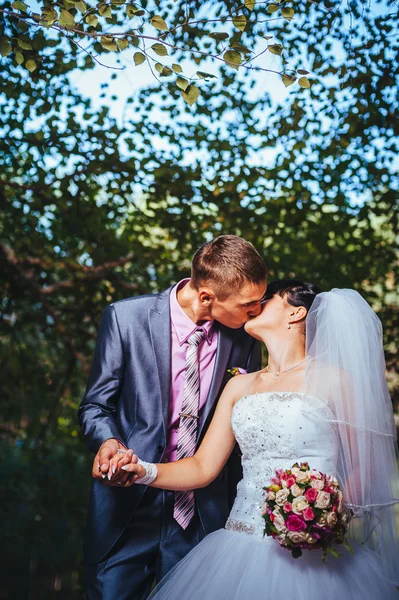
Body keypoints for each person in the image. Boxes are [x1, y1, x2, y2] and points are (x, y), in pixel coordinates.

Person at [119, 280, 399, 599]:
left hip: (311, 556)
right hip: (235, 546)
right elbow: (201, 467)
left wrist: (327, 514)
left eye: (266, 300)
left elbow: (369, 464)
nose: (254, 306)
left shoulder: (334, 380)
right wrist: (143, 471)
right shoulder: (239, 386)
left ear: (295, 312)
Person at [77, 235, 267, 599]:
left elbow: (244, 428)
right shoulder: (125, 318)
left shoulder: (245, 340)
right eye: (249, 303)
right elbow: (95, 406)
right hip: (128, 508)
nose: (257, 310)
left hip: (203, 515)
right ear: (207, 297)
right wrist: (109, 443)